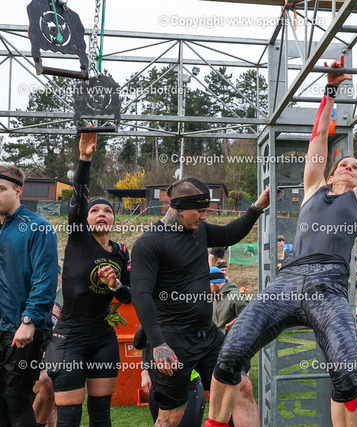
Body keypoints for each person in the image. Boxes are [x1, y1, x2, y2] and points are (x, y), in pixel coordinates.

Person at [208, 57, 357, 427]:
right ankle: (214, 423)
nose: (350, 167)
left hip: (329, 286)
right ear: (330, 173)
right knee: (230, 353)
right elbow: (319, 137)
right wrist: (330, 88)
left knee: (347, 373)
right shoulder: (312, 188)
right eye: (344, 165)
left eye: (356, 167)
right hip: (287, 281)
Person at [130, 176, 269, 427]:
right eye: (200, 211)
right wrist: (159, 345)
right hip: (172, 340)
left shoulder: (199, 230)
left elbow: (229, 233)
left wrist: (257, 207)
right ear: (179, 208)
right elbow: (141, 295)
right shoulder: (149, 243)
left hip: (207, 335)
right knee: (172, 416)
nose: (204, 216)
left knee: (242, 386)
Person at [44, 131, 132, 426]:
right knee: (69, 418)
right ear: (85, 218)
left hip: (103, 338)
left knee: (101, 414)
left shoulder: (121, 252)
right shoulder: (79, 239)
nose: (101, 214)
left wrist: (115, 284)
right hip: (69, 337)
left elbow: (128, 296)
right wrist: (84, 159)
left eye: (107, 210)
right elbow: (79, 197)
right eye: (94, 211)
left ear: (114, 219)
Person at [0, 164, 58, 426]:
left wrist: (29, 320)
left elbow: (45, 278)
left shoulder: (38, 227)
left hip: (20, 330)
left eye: (1, 189)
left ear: (18, 191)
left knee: (16, 399)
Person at [209, 267, 259, 427]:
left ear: (215, 283)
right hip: (221, 352)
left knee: (238, 394)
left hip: (236, 354)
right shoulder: (216, 298)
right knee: (227, 398)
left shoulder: (235, 296)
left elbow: (251, 321)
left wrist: (232, 330)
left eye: (207, 284)